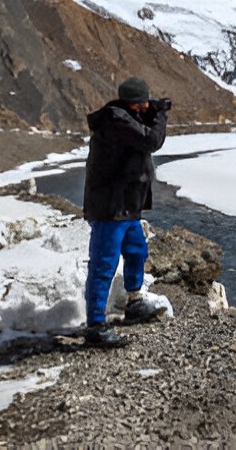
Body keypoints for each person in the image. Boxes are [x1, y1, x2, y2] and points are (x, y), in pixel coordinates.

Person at [81, 76, 171, 347]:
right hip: (111, 207)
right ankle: (95, 326)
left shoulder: (126, 117)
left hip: (126, 206)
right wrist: (160, 115)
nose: (146, 107)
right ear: (133, 104)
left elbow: (142, 130)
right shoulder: (115, 121)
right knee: (103, 264)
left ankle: (134, 302)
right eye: (143, 103)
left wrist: (152, 110)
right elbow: (151, 140)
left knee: (136, 251)